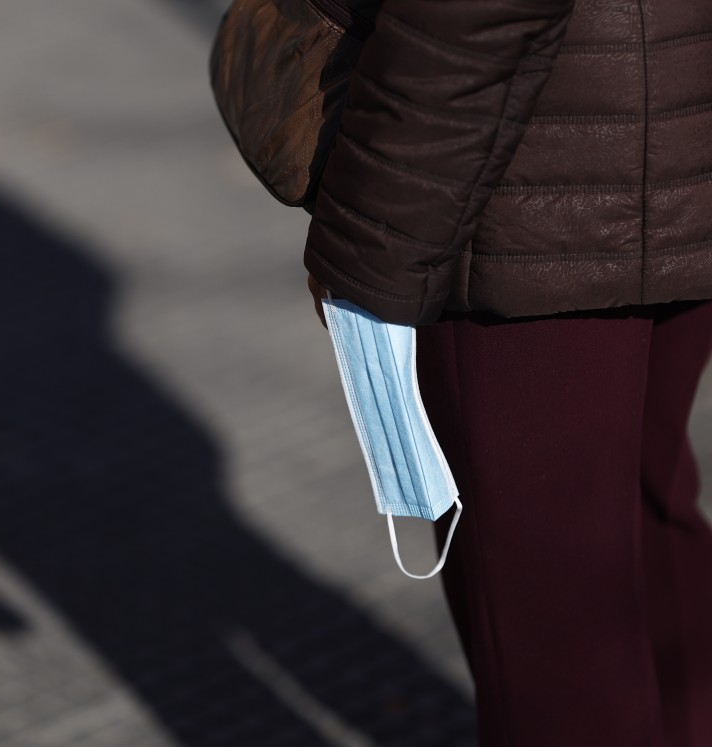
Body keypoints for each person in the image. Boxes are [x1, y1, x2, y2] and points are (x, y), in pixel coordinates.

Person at [302, 0, 712, 744]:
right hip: (685, 131)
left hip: (528, 193)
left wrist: (371, 237)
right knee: (645, 523)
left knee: (554, 625)